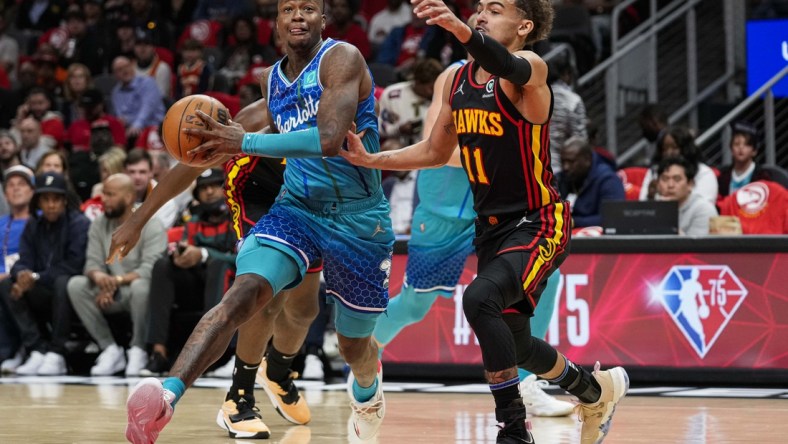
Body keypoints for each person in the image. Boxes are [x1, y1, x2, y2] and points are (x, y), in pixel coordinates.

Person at [340, 1, 628, 443]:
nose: (481, 13)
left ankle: (513, 430)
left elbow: (505, 61)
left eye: (495, 9)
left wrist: (458, 29)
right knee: (517, 344)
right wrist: (372, 158)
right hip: (488, 227)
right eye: (479, 7)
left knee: (479, 299)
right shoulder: (456, 79)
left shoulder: (529, 68)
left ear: (524, 25)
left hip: (538, 221)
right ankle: (595, 391)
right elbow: (435, 152)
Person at [123, 2, 393, 442]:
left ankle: (365, 386)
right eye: (289, 8)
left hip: (358, 219)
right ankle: (168, 396)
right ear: (278, 22)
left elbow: (328, 139)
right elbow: (197, 159)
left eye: (309, 7)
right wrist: (139, 217)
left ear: (324, 18)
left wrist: (242, 140)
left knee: (350, 344)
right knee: (246, 294)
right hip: (296, 208)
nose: (299, 15)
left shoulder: (342, 58)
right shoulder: (273, 82)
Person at [373, 53, 574, 417]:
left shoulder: (522, 80)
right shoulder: (452, 78)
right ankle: (368, 345)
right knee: (417, 304)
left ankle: (527, 383)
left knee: (548, 273)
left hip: (501, 208)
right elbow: (437, 149)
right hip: (444, 208)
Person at [111, 100, 319, 440]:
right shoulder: (255, 116)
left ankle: (278, 371)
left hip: (308, 198)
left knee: (304, 309)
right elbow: (188, 168)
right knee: (263, 293)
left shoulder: (334, 103)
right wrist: (138, 219)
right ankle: (239, 399)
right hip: (258, 195)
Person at [68, 174, 167, 376]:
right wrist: (100, 279)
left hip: (135, 291)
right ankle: (109, 348)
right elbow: (92, 263)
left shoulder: (151, 223)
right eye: (104, 193)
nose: (104, 199)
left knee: (142, 286)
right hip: (108, 291)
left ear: (129, 197)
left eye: (111, 194)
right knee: (76, 285)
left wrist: (116, 280)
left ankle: (138, 349)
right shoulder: (99, 224)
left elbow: (151, 267)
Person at [141, 168, 237, 376]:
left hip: (231, 284)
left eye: (214, 186)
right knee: (162, 265)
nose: (209, 192)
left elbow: (240, 259)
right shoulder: (193, 222)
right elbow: (187, 248)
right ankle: (158, 352)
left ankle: (215, 353)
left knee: (217, 265)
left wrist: (203, 254)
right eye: (204, 189)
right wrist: (180, 257)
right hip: (197, 285)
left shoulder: (236, 218)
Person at [0, 172, 90, 376]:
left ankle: (56, 353)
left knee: (63, 281)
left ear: (64, 200)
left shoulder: (78, 223)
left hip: (69, 296)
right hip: (42, 291)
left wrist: (35, 277)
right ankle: (37, 349)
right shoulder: (34, 224)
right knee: (6, 285)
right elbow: (23, 259)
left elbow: (75, 264)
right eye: (45, 199)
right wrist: (22, 273)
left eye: (56, 199)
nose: (50, 205)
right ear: (38, 201)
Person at [556, 137, 625, 228]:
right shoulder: (560, 178)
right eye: (563, 162)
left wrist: (573, 222)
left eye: (571, 162)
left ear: (587, 160)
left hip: (597, 239)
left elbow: (613, 217)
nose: (565, 167)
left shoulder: (608, 180)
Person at [656, 156, 718, 236]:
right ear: (657, 184)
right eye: (665, 179)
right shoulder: (652, 207)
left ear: (690, 184)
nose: (670, 185)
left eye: (677, 179)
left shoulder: (703, 209)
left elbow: (696, 246)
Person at [717, 121, 773, 199]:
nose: (741, 148)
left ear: (754, 151)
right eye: (736, 144)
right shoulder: (723, 175)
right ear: (731, 149)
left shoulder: (762, 176)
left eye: (747, 145)